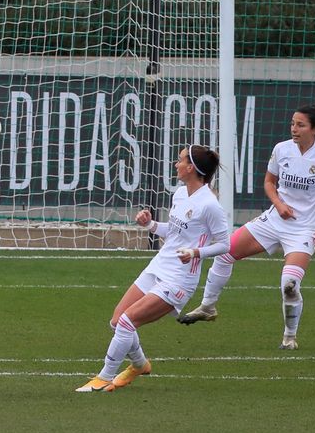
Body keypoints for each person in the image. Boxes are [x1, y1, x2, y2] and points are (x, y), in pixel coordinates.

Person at [178, 104, 315, 350]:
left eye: (300, 125)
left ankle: (289, 337)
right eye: (292, 124)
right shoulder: (282, 149)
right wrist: (279, 203)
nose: (294, 129)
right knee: (224, 252)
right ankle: (208, 306)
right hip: (273, 220)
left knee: (289, 284)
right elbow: (268, 182)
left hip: (303, 230)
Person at [76, 145, 229, 393]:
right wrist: (152, 225)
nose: (176, 164)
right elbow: (177, 232)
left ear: (191, 168)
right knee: (117, 322)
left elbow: (225, 244)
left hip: (179, 279)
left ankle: (104, 378)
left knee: (127, 322)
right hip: (159, 265)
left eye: (180, 160)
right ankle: (139, 364)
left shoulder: (210, 205)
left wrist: (195, 253)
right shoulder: (180, 194)